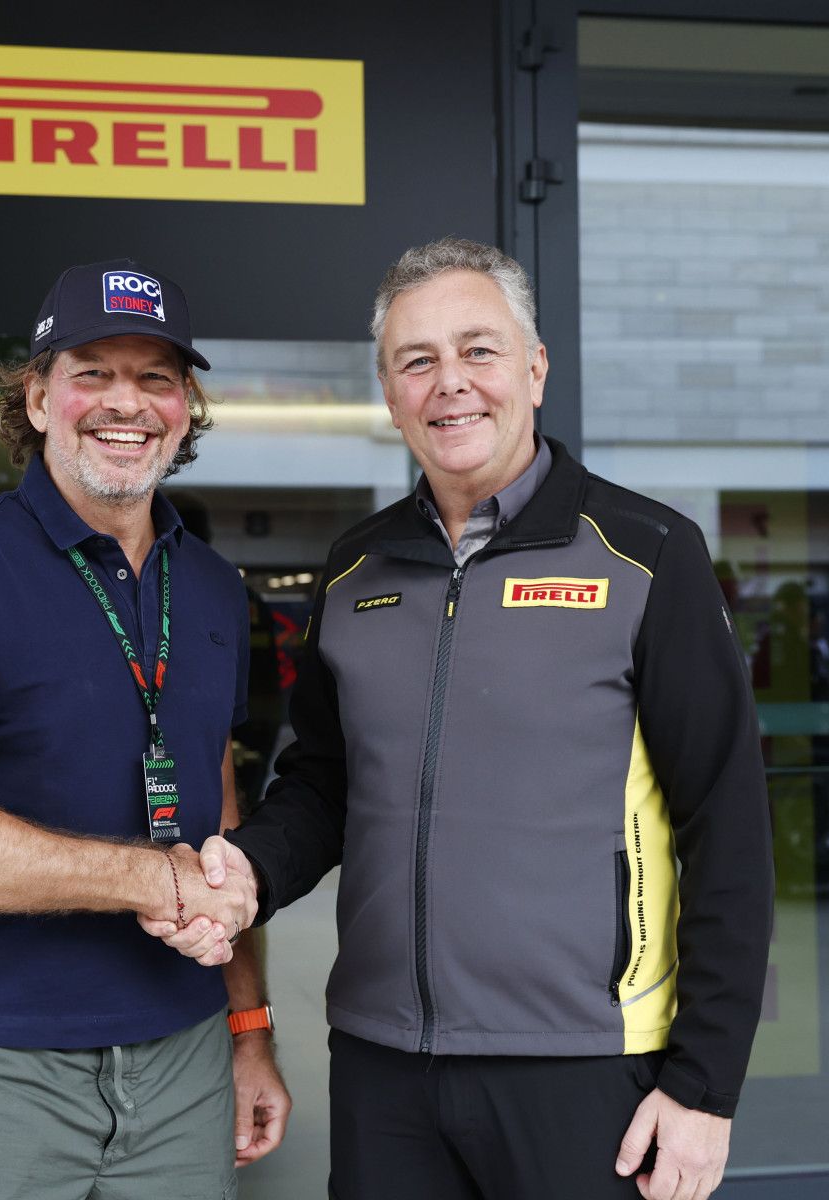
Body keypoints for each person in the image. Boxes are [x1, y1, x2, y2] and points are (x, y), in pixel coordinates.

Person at [160, 239, 773, 1200]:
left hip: (585, 1062)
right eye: (418, 360)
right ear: (389, 392)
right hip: (384, 1065)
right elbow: (322, 783)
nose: (450, 383)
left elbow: (727, 826)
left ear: (535, 368)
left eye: (478, 350)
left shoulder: (647, 554)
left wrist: (704, 1085)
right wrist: (248, 874)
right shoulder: (355, 569)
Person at [0, 258, 288, 1199]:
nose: (127, 402)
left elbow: (218, 823)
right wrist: (149, 878)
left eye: (156, 378)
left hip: (184, 1066)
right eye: (93, 372)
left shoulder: (212, 587)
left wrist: (249, 1029)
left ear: (185, 408)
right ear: (40, 398)